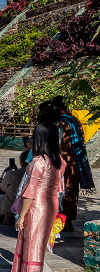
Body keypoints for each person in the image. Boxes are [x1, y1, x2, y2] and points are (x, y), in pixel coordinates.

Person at [10, 122, 66, 272]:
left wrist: (21, 216)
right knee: (38, 242)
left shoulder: (38, 162)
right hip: (51, 203)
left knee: (31, 241)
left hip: (37, 205)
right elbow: (59, 187)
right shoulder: (59, 160)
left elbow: (30, 191)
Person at [55, 96, 95, 232]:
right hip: (75, 163)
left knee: (63, 192)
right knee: (71, 192)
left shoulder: (62, 123)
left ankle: (62, 221)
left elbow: (59, 143)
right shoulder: (74, 121)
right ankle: (68, 222)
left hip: (64, 163)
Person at [0, 151, 30, 225]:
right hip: (26, 206)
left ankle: (6, 216)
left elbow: (2, 188)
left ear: (21, 161)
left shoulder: (12, 174)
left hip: (10, 206)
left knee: (1, 202)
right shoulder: (32, 174)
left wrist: (9, 174)